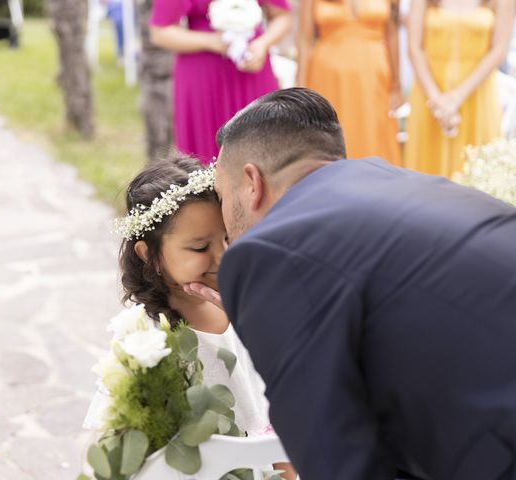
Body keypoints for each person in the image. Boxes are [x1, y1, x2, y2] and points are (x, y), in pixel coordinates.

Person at [185, 87, 516, 479]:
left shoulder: (269, 252)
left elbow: (335, 458)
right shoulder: (398, 185)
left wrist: (262, 301)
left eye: (222, 196)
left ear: (252, 183)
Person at [84, 156, 297, 479]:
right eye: (199, 248)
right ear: (149, 255)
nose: (222, 256)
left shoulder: (243, 304)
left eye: (227, 238)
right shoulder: (147, 338)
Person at [149, 0, 292, 165]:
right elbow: (160, 32)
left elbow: (282, 16)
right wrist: (211, 41)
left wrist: (262, 44)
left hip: (252, 69)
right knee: (205, 154)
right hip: (201, 76)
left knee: (263, 146)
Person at [404, 0, 514, 177]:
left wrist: (456, 97)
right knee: (425, 178)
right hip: (430, 94)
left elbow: (499, 50)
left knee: (476, 174)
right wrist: (437, 101)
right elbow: (414, 48)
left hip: (478, 95)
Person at [296, 0, 402, 165]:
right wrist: (299, 92)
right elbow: (304, 40)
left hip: (374, 81)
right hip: (328, 79)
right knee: (329, 142)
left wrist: (396, 86)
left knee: (374, 141)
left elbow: (393, 34)